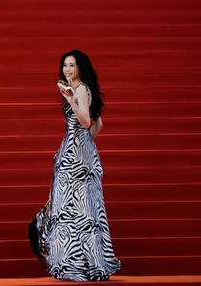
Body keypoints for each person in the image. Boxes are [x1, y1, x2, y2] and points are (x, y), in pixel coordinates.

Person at [29, 50, 121, 281]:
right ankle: (88, 264)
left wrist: (71, 100)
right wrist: (83, 145)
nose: (67, 69)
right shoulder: (81, 89)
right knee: (84, 209)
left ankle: (74, 266)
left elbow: (86, 121)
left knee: (72, 209)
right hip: (78, 153)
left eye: (72, 65)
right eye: (65, 65)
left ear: (81, 67)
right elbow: (98, 125)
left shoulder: (80, 90)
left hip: (75, 158)